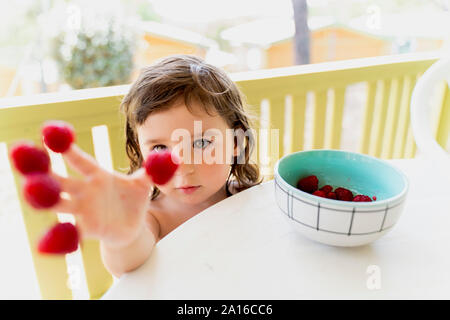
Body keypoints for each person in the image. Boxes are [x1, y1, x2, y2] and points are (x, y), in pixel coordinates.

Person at [51, 55, 263, 278]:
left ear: (237, 142)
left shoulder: (249, 196)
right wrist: (122, 237)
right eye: (161, 148)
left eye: (201, 143)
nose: (183, 167)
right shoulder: (152, 217)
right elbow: (125, 265)